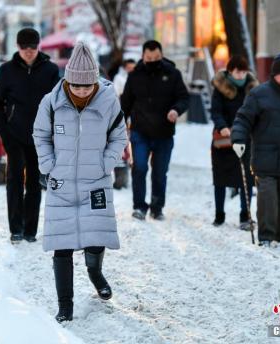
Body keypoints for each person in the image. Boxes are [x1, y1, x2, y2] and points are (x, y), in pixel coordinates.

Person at [33, 41, 127, 323]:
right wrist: (49, 165)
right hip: (61, 184)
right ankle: (65, 306)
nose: (82, 91)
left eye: (87, 87)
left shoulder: (109, 101)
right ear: (68, 81)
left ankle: (95, 273)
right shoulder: (51, 103)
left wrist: (105, 163)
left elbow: (119, 136)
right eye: (77, 86)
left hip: (94, 182)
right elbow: (40, 135)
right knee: (61, 246)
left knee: (96, 236)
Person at [231, 53, 280, 246]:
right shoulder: (259, 94)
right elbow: (243, 119)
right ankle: (266, 236)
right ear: (274, 74)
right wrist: (238, 138)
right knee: (267, 200)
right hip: (265, 160)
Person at [0, 28, 59, 244]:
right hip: (14, 134)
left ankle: (30, 230)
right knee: (14, 179)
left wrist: (53, 131)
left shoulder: (50, 70)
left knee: (34, 182)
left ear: (38, 47)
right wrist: (3, 130)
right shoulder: (7, 70)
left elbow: (57, 103)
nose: (29, 51)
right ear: (18, 47)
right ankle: (16, 229)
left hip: (40, 136)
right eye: (24, 47)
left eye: (33, 47)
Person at [121, 40, 189, 221]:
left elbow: (183, 97)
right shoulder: (135, 75)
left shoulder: (172, 73)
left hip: (164, 133)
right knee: (140, 168)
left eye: (157, 57)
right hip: (140, 132)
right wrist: (119, 126)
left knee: (159, 172)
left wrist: (176, 110)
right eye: (149, 58)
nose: (153, 60)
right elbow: (125, 104)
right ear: (143, 57)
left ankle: (157, 207)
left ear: (161, 55)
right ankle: (139, 206)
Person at [210, 55, 258, 230]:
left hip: (246, 138)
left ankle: (245, 216)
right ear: (230, 71)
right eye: (238, 71)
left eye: (244, 71)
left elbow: (257, 112)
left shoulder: (252, 89)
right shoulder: (220, 88)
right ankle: (219, 214)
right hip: (224, 140)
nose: (241, 75)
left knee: (247, 177)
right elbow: (215, 111)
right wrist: (222, 126)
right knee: (220, 178)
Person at [112, 58, 136, 190]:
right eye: (129, 67)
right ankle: (121, 178)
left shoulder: (138, 77)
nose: (131, 69)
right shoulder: (119, 78)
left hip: (135, 116)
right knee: (123, 146)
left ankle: (125, 176)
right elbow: (117, 95)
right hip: (122, 116)